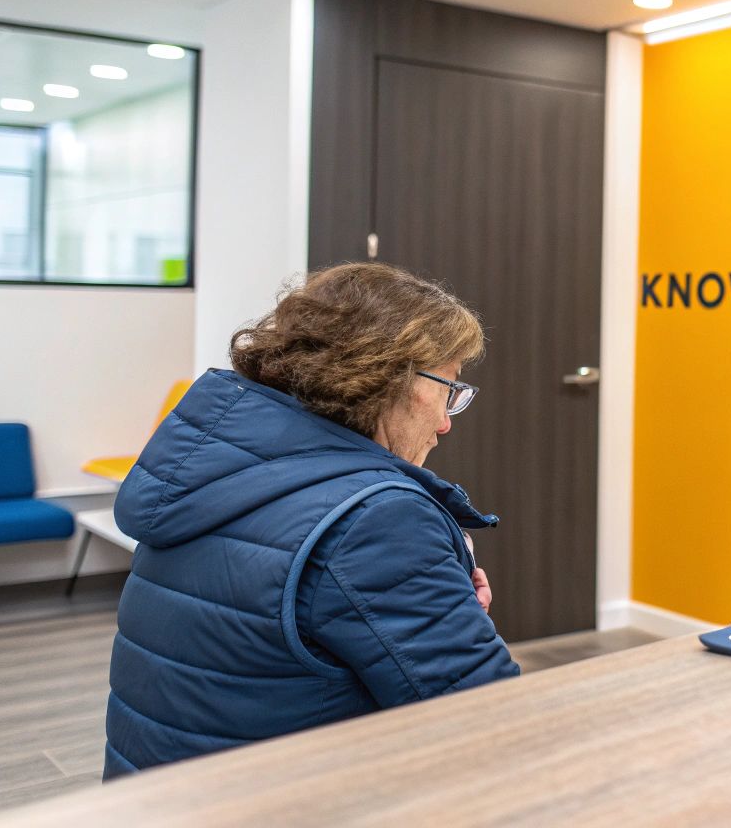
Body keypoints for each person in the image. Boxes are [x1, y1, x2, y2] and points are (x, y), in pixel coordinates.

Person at [103, 263, 519, 777]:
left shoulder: (213, 474)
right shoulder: (376, 520)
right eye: (447, 389)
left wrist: (435, 579)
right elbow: (490, 724)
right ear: (389, 375)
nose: (444, 423)